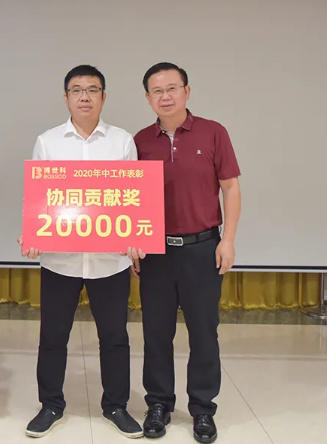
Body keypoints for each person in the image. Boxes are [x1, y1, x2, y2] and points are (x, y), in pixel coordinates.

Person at [17, 65, 144, 439]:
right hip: (60, 260)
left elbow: (133, 198)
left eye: (92, 89)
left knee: (115, 337)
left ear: (104, 97)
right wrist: (31, 232)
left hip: (110, 261)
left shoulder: (122, 141)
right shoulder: (48, 141)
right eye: (76, 90)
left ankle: (116, 406)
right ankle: (50, 405)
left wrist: (135, 238)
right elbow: (36, 196)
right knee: (53, 336)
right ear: (66, 98)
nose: (84, 96)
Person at [132, 62, 241, 443]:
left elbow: (230, 187)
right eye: (157, 91)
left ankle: (203, 408)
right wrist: (134, 242)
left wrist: (228, 240)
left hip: (203, 248)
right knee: (156, 332)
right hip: (156, 252)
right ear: (148, 98)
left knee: (204, 333)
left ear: (186, 91)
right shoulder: (140, 141)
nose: (165, 96)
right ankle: (158, 404)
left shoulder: (213, 132)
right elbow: (130, 197)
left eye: (172, 88)